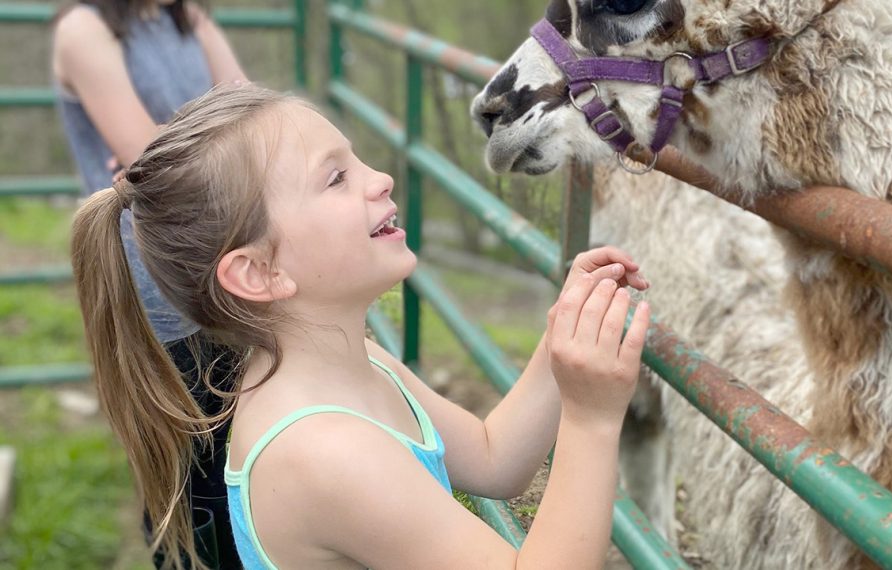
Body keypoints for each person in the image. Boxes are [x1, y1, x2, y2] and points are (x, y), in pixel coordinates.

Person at [70, 84, 653, 570]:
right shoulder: (323, 451)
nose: (381, 178)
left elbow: (494, 458)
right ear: (260, 272)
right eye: (335, 179)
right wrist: (592, 418)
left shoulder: (358, 363)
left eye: (357, 162)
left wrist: (563, 335)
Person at [51, 0, 246, 565]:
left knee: (240, 454)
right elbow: (148, 156)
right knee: (186, 474)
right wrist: (221, 141)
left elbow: (255, 114)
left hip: (226, 264)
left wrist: (180, 143)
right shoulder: (84, 29)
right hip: (154, 290)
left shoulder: (187, 17)